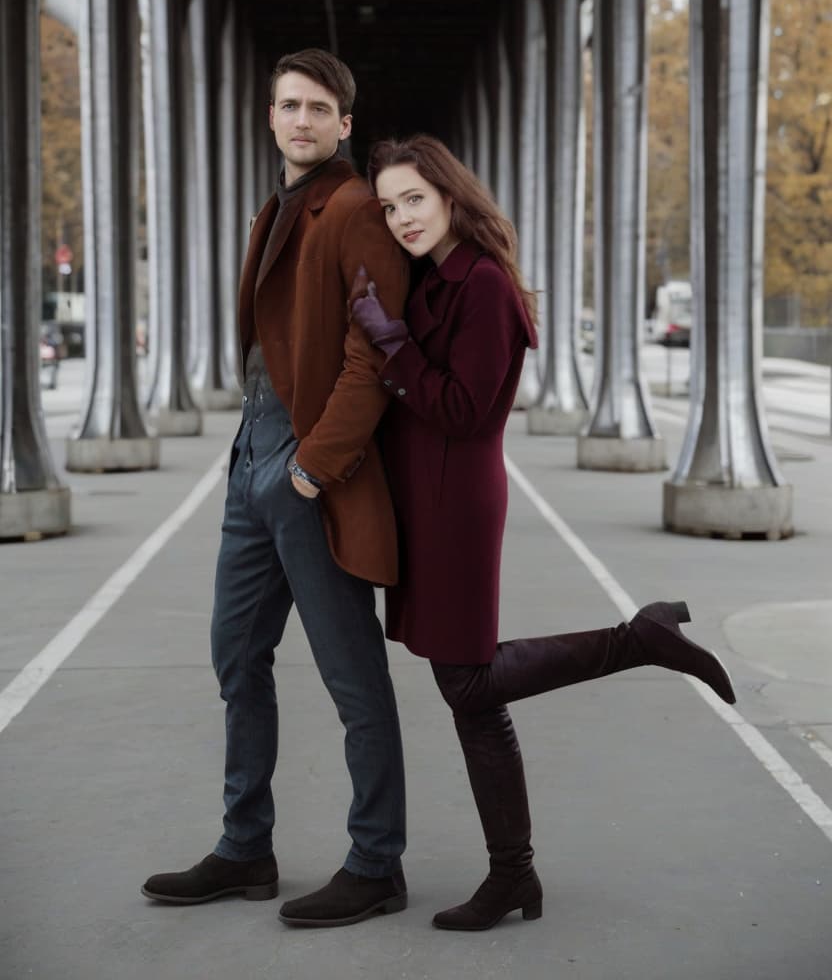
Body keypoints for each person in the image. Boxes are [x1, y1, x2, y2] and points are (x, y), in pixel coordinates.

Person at [350, 134, 736, 933]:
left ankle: (638, 640)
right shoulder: (431, 278)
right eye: (388, 207)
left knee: (469, 684)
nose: (401, 218)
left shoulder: (483, 285)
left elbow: (461, 407)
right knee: (470, 696)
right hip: (423, 499)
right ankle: (513, 877)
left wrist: (389, 341)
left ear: (451, 195)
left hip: (456, 501)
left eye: (413, 199)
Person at [142, 50, 411, 929]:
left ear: (343, 124)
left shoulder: (358, 209)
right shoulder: (277, 206)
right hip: (251, 455)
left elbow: (374, 352)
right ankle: (244, 848)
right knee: (236, 658)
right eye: (288, 105)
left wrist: (309, 465)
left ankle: (376, 863)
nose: (301, 119)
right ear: (271, 117)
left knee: (352, 678)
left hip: (308, 468)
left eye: (319, 108)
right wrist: (263, 457)